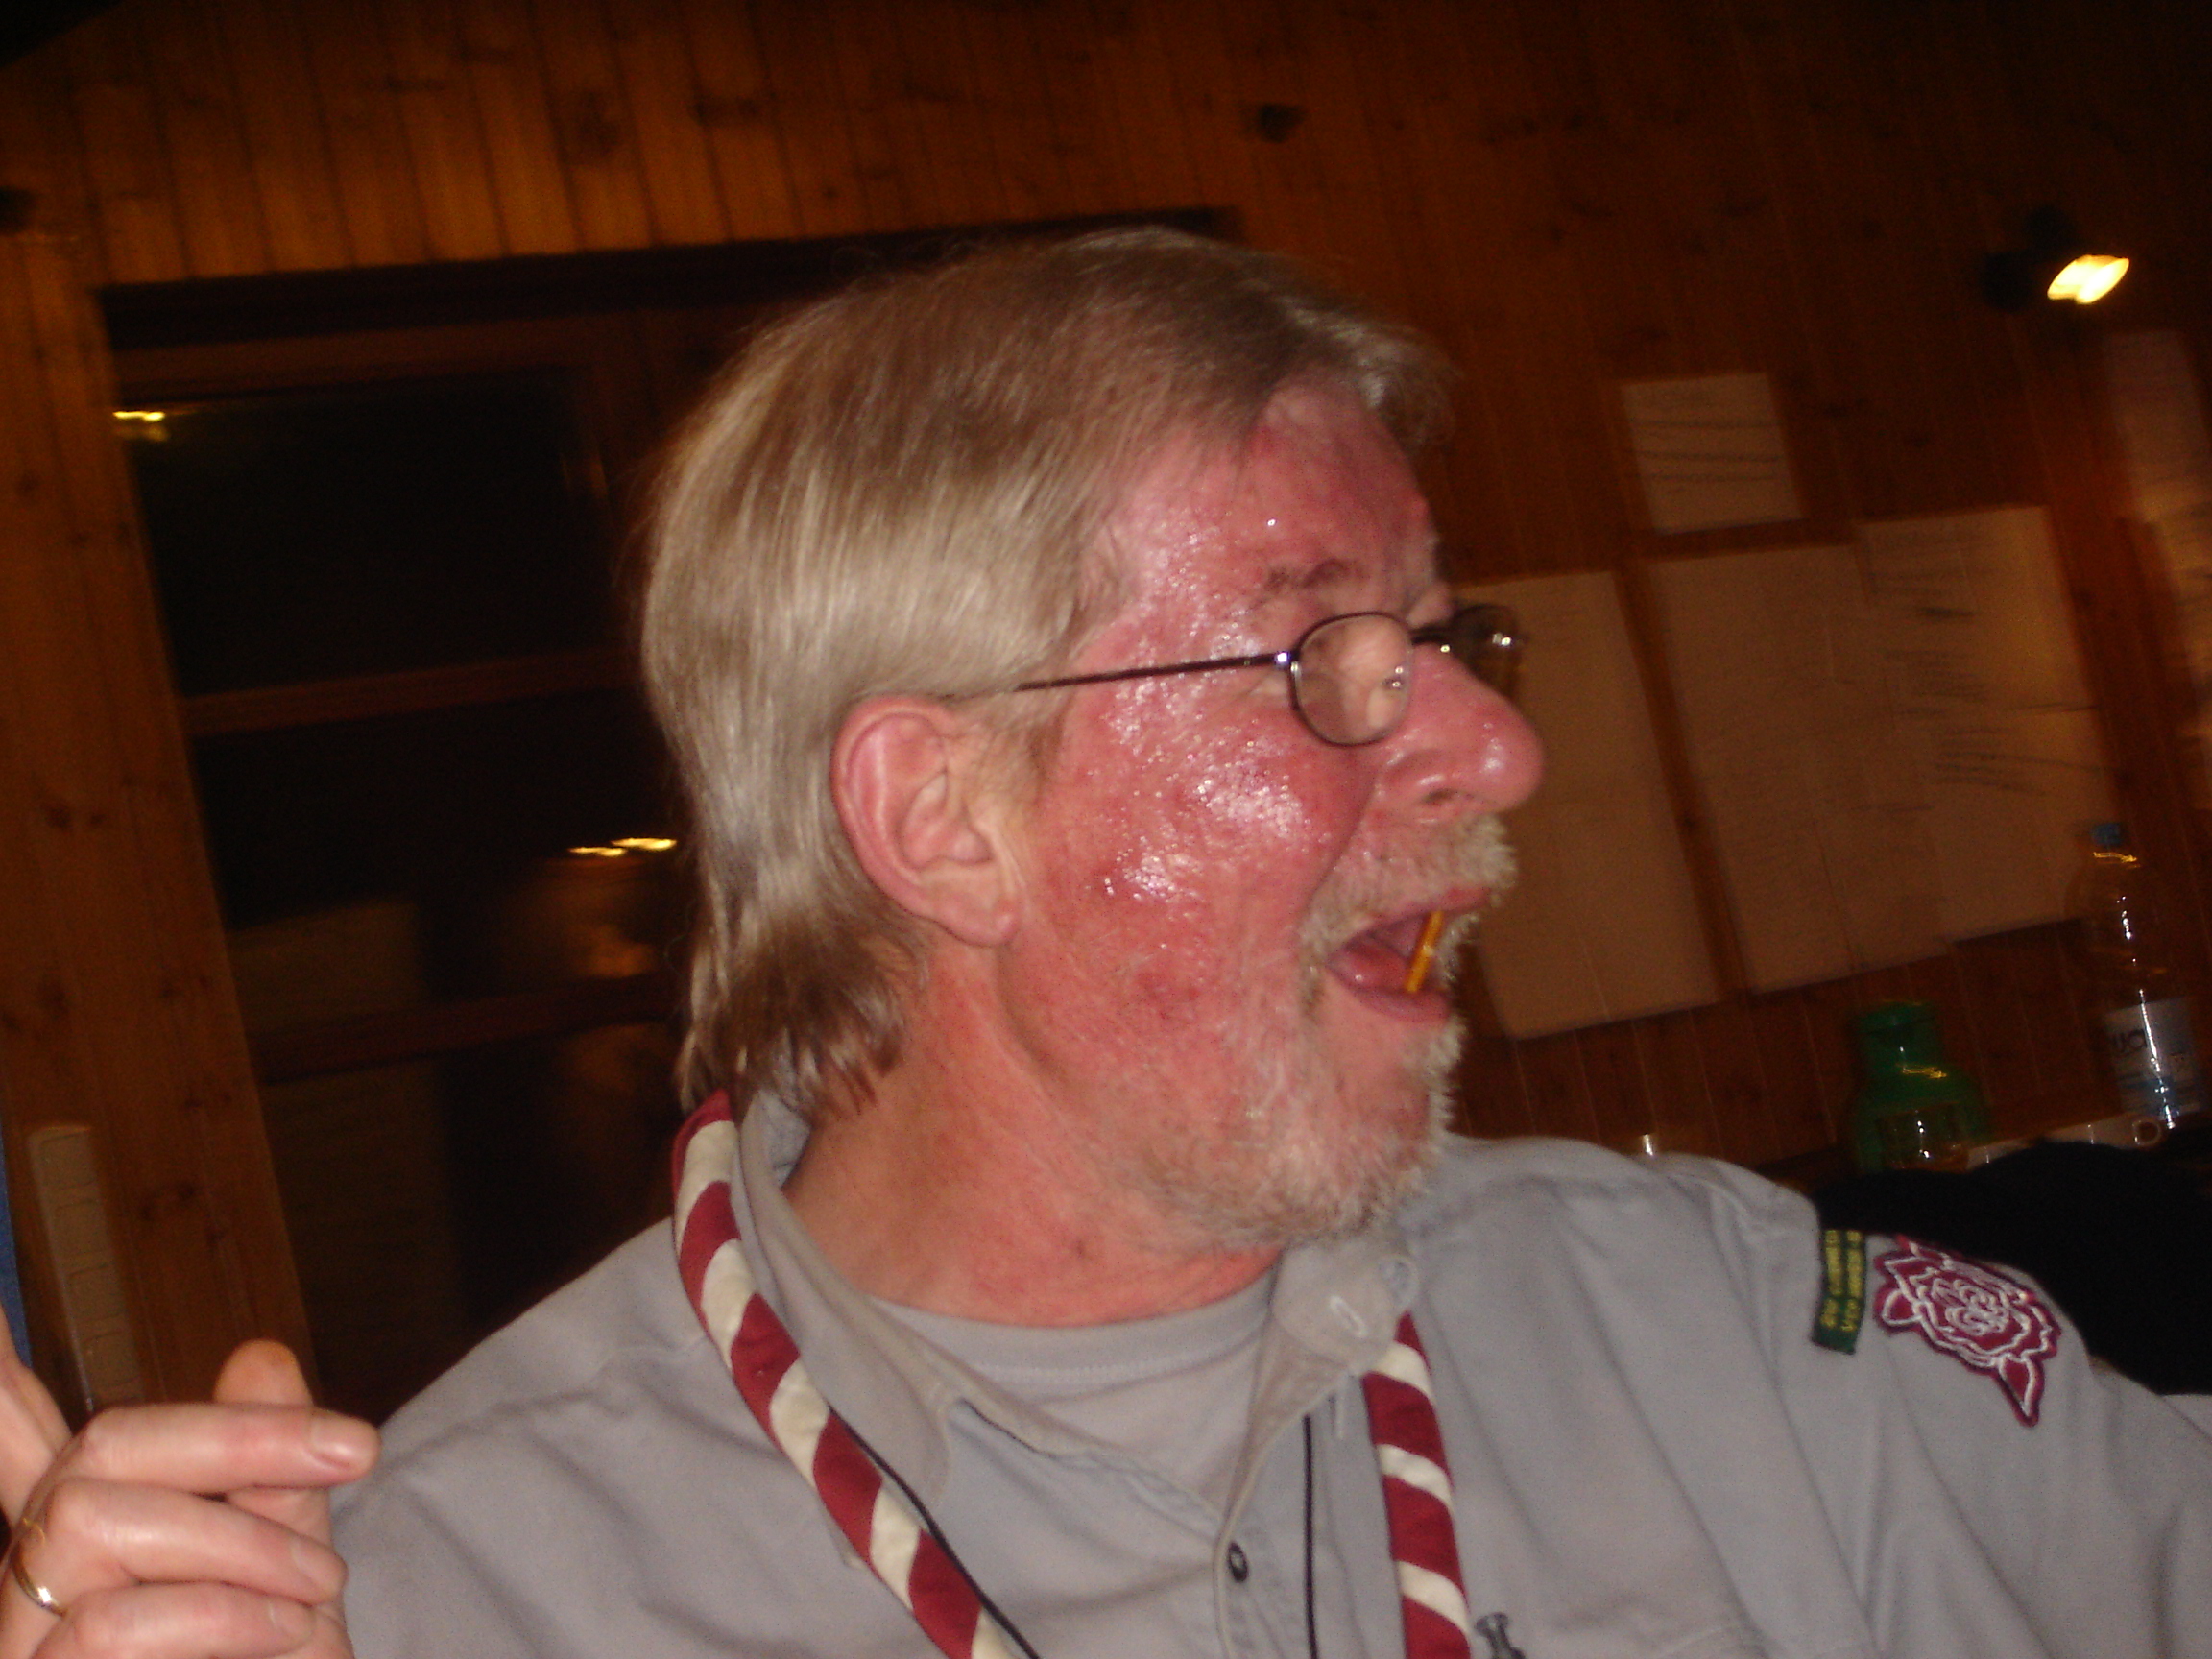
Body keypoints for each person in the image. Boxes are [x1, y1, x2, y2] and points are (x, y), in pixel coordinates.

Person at [1, 228, 2207, 1659]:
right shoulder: (450, 1596)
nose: (1499, 750)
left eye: (1446, 637)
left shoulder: (1713, 1327)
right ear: (941, 818)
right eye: (1329, 657)